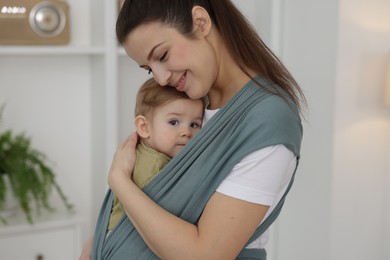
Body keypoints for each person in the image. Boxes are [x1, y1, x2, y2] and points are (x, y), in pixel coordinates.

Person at [84, 0, 306, 259]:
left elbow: (204, 254)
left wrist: (119, 181)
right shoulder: (188, 105)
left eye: (163, 56)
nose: (161, 78)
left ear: (200, 23)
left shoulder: (266, 120)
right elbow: (149, 195)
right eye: (148, 69)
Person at [79, 77, 204, 259]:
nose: (187, 132)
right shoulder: (154, 164)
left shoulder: (146, 154)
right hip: (126, 243)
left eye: (195, 124)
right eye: (174, 122)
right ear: (144, 127)